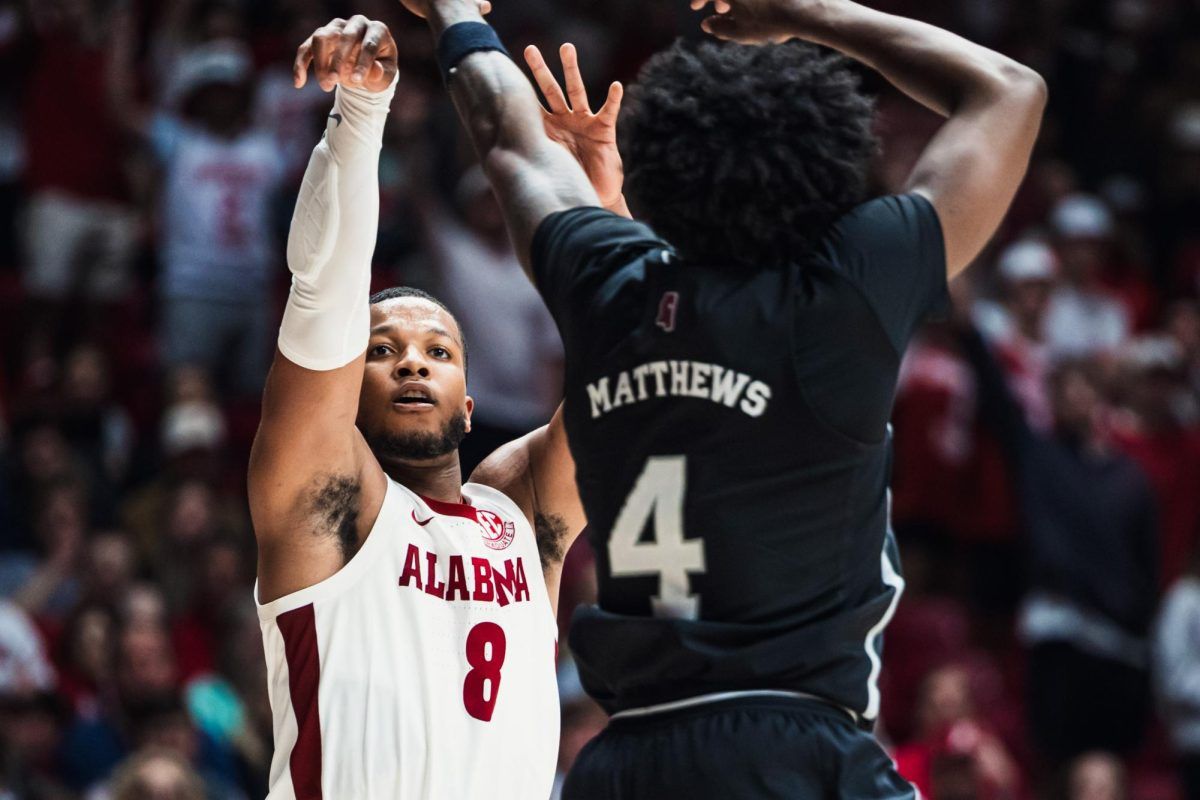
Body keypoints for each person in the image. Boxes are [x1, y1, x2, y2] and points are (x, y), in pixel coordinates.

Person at [401, 0, 1046, 795]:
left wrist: (455, 13)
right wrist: (810, 15)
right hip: (794, 746)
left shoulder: (607, 282)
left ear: (658, 170)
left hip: (628, 759)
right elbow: (1009, 90)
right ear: (827, 174)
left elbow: (509, 134)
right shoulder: (841, 298)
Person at [248, 14, 588, 799]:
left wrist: (599, 201)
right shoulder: (326, 507)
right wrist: (363, 115)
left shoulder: (518, 508)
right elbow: (321, 296)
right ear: (345, 390)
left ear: (470, 404)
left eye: (438, 352)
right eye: (382, 350)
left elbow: (627, 367)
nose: (411, 361)